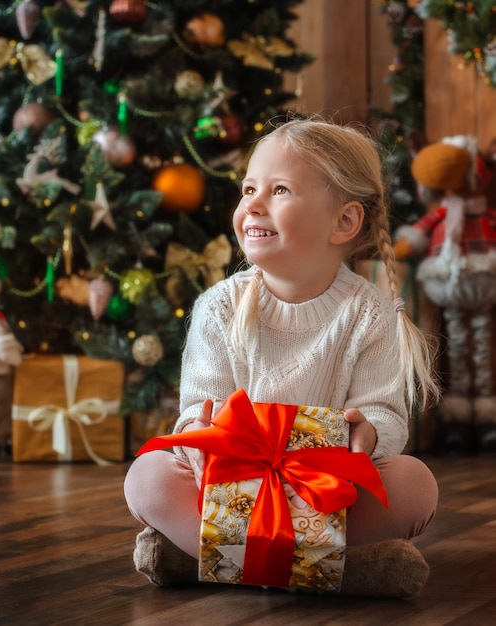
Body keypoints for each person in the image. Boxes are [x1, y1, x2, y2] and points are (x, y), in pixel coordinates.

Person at [124, 116, 440, 597]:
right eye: (248, 187)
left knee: (415, 484)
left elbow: (385, 413)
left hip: (324, 488)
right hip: (236, 488)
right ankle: (333, 571)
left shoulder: (369, 311)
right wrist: (199, 442)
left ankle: (211, 561)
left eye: (279, 190)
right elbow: (195, 410)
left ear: (344, 222)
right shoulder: (219, 307)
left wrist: (367, 431)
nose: (252, 203)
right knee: (147, 476)